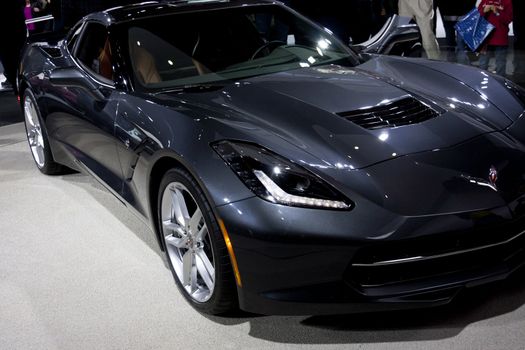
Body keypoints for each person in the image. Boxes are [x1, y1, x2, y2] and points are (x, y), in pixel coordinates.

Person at [478, 0, 513, 77]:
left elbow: (507, 20)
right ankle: (480, 83)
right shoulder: (485, 1)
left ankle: (500, 86)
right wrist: (484, 11)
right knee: (483, 64)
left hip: (500, 39)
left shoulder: (507, 2)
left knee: (500, 64)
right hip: (485, 39)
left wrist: (496, 12)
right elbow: (477, 17)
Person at [0, 0, 27, 91]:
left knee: (9, 58)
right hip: (18, 26)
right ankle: (18, 81)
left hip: (8, 30)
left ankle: (14, 82)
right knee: (18, 55)